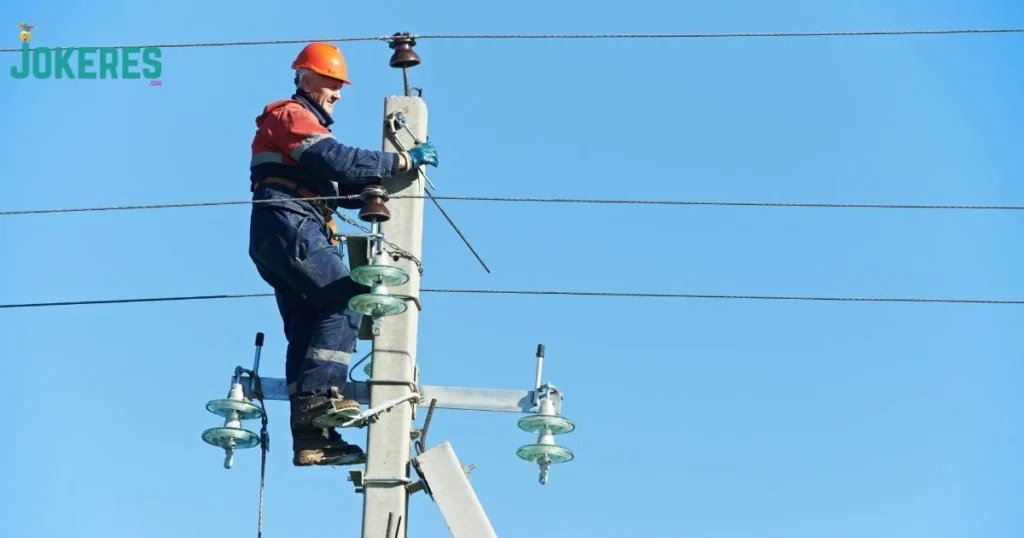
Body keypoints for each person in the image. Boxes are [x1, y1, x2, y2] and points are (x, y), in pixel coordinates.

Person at [247, 42, 438, 466]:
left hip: (282, 229)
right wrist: (402, 161)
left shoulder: (298, 130)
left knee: (309, 324)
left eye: (340, 86)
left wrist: (374, 184)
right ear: (305, 76)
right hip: (290, 222)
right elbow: (338, 162)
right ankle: (320, 400)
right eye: (332, 83)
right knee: (347, 299)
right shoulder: (289, 115)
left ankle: (311, 437)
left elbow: (340, 184)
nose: (337, 93)